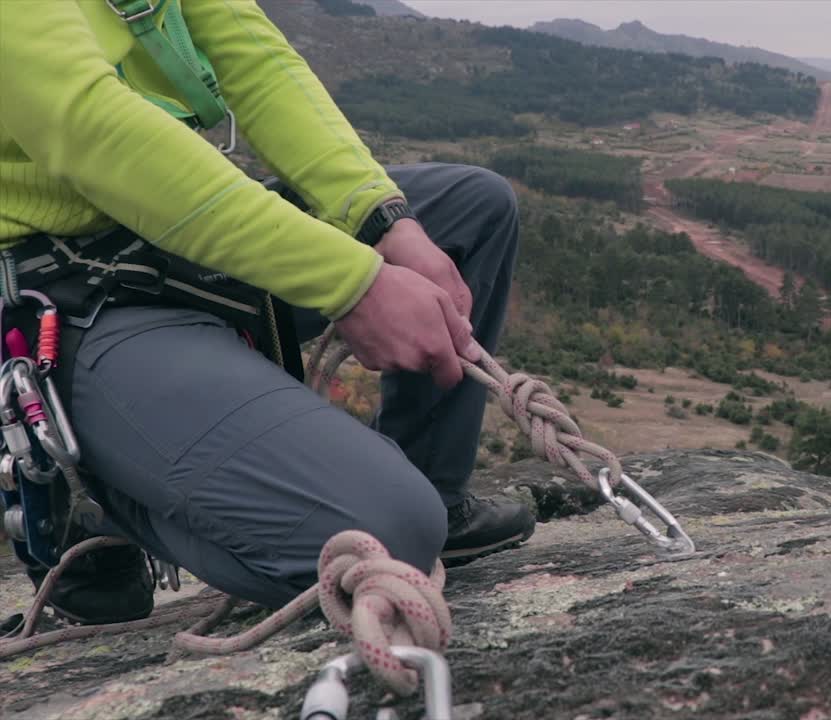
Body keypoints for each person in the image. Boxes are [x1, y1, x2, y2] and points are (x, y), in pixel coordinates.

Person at [0, 0, 534, 625]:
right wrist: (353, 283)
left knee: (474, 210)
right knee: (383, 534)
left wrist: (382, 219)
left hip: (169, 237)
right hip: (64, 292)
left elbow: (256, 61)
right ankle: (89, 500)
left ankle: (435, 505)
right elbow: (92, 129)